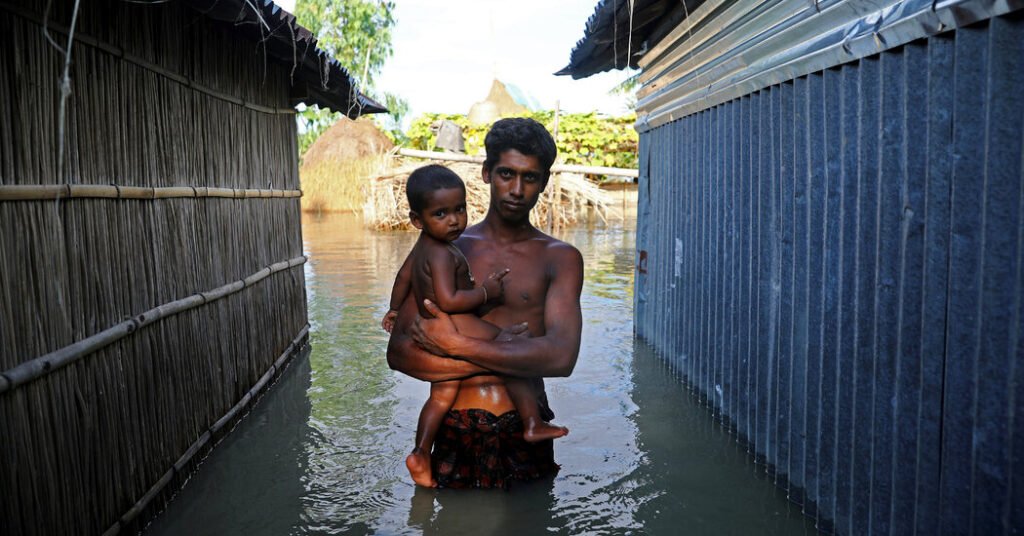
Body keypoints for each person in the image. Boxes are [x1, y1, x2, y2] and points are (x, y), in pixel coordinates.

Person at [386, 118, 584, 489]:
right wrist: (512, 356)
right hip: (456, 425)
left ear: (543, 183)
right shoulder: (444, 250)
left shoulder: (561, 258)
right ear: (486, 173)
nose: (517, 189)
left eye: (530, 178)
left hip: (525, 427)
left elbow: (561, 357)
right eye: (506, 173)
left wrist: (457, 345)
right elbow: (399, 353)